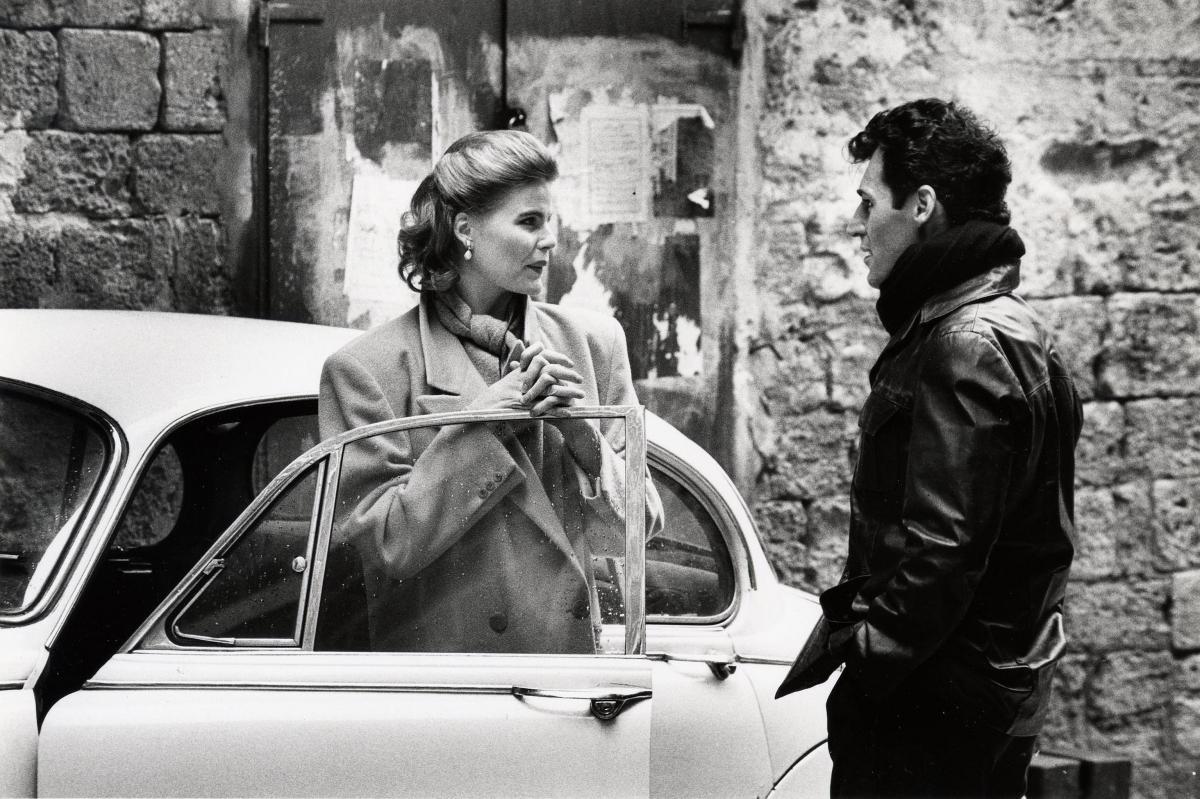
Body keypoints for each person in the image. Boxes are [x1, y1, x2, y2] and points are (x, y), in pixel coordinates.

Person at [776, 98, 1083, 798]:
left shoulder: (965, 342)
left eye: (867, 203)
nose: (855, 224)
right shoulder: (1006, 327)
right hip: (971, 695)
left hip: (933, 709)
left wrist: (868, 666)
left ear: (921, 205)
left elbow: (945, 552)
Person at [319, 129, 662, 655]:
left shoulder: (594, 345)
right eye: (529, 221)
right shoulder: (366, 370)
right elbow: (387, 548)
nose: (550, 239)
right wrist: (482, 425)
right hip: (453, 683)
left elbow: (640, 529)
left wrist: (583, 437)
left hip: (570, 680)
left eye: (549, 220)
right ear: (465, 230)